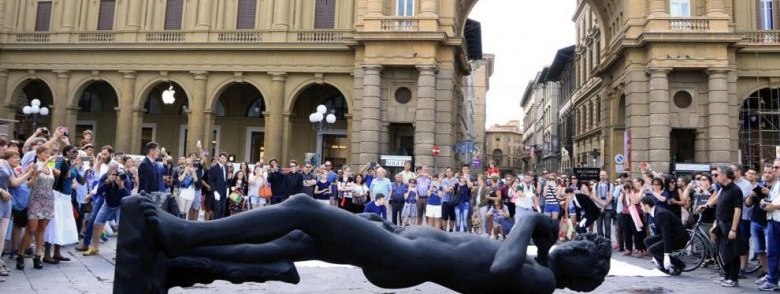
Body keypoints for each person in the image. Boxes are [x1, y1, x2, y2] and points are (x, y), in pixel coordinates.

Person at [133, 193, 612, 294]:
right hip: (396, 239)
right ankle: (192, 263)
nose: (578, 242)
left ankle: (188, 235)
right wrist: (542, 241)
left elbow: (502, 271)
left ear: (582, 275)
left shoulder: (544, 283)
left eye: (584, 248)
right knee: (299, 240)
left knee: (304, 208)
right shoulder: (544, 266)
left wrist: (527, 220)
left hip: (400, 259)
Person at [17, 145, 55, 270]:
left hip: (48, 199)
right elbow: (28, 184)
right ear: (38, 154)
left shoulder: (51, 166)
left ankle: (38, 255)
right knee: (31, 228)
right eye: (45, 153)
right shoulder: (33, 166)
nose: (47, 155)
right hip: (35, 199)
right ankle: (21, 254)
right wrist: (36, 173)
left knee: (42, 229)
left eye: (48, 153)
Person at [43, 145, 83, 264]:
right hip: (57, 195)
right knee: (54, 224)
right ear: (66, 152)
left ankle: (57, 253)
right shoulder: (60, 160)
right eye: (73, 151)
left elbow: (82, 181)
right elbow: (61, 175)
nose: (76, 154)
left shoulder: (73, 164)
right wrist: (72, 166)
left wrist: (87, 170)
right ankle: (46, 255)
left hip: (67, 197)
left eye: (77, 152)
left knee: (63, 225)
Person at [708, 165, 744, 287]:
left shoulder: (735, 190)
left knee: (732, 252)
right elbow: (717, 199)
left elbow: (738, 210)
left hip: (729, 225)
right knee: (723, 252)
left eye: (717, 174)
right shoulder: (723, 188)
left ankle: (733, 279)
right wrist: (707, 205)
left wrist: (733, 229)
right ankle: (726, 275)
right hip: (721, 224)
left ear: (724, 175)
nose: (715, 177)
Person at [0, 150, 34, 279]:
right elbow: (14, 183)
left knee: (1, 236)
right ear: (6, 157)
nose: (17, 159)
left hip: (6, 203)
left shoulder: (10, 168)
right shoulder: (2, 163)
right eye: (14, 157)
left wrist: (30, 173)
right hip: (2, 197)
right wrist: (1, 190)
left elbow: (15, 182)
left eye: (18, 157)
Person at [83, 168, 130, 256]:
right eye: (112, 173)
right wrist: (107, 181)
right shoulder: (105, 177)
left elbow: (128, 195)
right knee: (97, 224)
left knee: (122, 228)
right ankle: (95, 248)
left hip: (120, 205)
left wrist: (121, 186)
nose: (115, 176)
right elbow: (99, 191)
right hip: (108, 204)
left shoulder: (125, 178)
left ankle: (120, 252)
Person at [640, 196, 687, 275]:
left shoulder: (660, 214)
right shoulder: (655, 212)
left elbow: (666, 235)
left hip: (678, 238)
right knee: (647, 241)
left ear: (647, 206)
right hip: (671, 235)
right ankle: (662, 266)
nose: (641, 208)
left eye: (641, 206)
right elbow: (660, 232)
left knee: (652, 250)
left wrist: (666, 255)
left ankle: (679, 265)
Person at [747, 162, 774, 285]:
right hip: (756, 221)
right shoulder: (759, 185)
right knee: (759, 249)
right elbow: (748, 204)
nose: (767, 175)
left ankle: (774, 274)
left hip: (769, 222)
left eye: (769, 172)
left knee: (772, 250)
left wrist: (769, 193)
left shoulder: (776, 187)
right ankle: (766, 272)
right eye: (765, 172)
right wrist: (751, 196)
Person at [758, 159, 780, 291]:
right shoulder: (777, 183)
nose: (774, 169)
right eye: (774, 167)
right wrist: (764, 202)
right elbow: (772, 198)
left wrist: (774, 206)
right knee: (772, 252)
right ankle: (772, 279)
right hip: (773, 220)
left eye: (777, 167)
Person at [206, 153, 229, 220]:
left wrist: (227, 188)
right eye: (222, 158)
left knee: (222, 210)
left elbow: (226, 180)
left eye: (224, 158)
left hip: (224, 192)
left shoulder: (226, 167)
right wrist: (214, 191)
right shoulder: (213, 168)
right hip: (217, 193)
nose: (223, 159)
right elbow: (211, 181)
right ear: (219, 158)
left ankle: (220, 227)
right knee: (217, 210)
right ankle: (214, 227)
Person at [592, 171, 614, 240]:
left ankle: (607, 241)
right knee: (599, 225)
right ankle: (600, 241)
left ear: (607, 176)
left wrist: (604, 206)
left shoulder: (611, 185)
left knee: (607, 226)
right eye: (601, 175)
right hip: (598, 207)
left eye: (604, 175)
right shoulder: (595, 185)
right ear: (599, 176)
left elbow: (611, 197)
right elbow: (594, 196)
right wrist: (602, 204)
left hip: (608, 208)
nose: (602, 177)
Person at [441, 167, 457, 232]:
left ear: (452, 172)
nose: (448, 173)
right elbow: (447, 190)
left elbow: (457, 190)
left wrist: (451, 188)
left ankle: (451, 231)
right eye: (447, 172)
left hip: (454, 201)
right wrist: (453, 187)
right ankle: (444, 231)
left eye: (449, 171)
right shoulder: (444, 180)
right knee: (444, 218)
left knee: (452, 218)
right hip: (445, 201)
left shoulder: (456, 180)